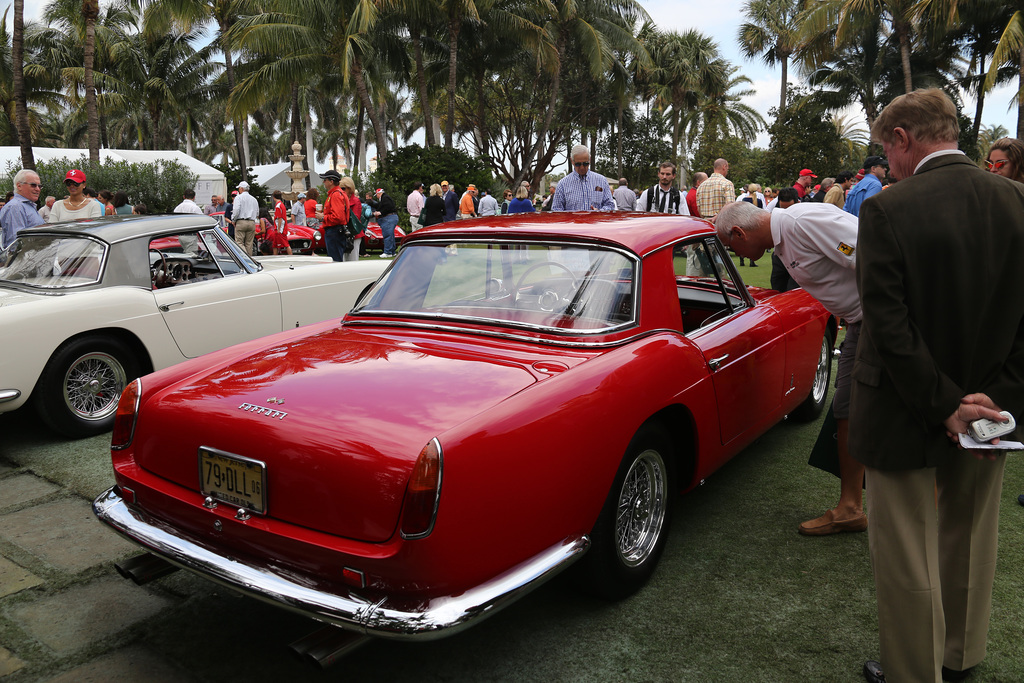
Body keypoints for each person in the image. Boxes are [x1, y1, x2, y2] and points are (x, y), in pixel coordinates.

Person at [849, 88, 1024, 683]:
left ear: (903, 139)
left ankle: (913, 672)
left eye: (884, 149)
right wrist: (998, 395)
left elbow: (889, 327)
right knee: (972, 534)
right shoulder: (1017, 201)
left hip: (903, 406)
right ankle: (961, 655)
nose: (885, 165)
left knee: (906, 550)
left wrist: (945, 403)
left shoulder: (888, 209)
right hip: (991, 406)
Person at [715, 199, 866, 533]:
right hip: (862, 324)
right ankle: (851, 507)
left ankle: (908, 507)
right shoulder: (784, 237)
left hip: (881, 324)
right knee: (848, 410)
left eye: (730, 245)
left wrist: (890, 326)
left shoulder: (803, 223)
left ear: (739, 233)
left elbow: (869, 255)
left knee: (872, 411)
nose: (733, 252)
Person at [552, 145, 614, 211]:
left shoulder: (602, 181)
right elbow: (556, 209)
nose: (582, 167)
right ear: (572, 161)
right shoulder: (563, 184)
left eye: (585, 164)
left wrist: (599, 212)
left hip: (596, 221)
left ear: (589, 159)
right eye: (578, 164)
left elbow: (610, 205)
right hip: (573, 221)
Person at [0, 169, 45, 250]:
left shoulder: (27, 206)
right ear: (19, 186)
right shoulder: (15, 207)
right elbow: (16, 245)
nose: (38, 189)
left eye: (39, 186)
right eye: (33, 185)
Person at [318, 169, 349, 262]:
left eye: (325, 180)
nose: (324, 182)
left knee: (335, 260)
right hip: (335, 231)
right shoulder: (337, 193)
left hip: (334, 231)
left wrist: (323, 217)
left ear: (331, 182)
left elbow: (338, 217)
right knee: (335, 259)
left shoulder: (335, 195)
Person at [367, 186, 398, 257]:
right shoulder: (386, 198)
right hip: (392, 217)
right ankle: (392, 251)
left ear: (379, 194)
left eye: (377, 195)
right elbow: (381, 206)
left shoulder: (385, 198)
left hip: (388, 218)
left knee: (387, 235)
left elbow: (387, 207)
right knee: (391, 235)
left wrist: (381, 212)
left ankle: (388, 252)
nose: (377, 197)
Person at [232, 180, 259, 255]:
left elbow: (236, 210)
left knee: (239, 242)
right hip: (251, 222)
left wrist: (233, 220)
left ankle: (245, 258)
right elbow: (257, 213)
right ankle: (249, 260)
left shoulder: (238, 198)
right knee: (249, 244)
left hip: (241, 221)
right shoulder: (254, 199)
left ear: (241, 189)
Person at [339, 177, 363, 262]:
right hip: (344, 233)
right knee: (343, 260)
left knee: (353, 260)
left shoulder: (356, 201)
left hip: (354, 234)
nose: (341, 190)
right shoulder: (341, 200)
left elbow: (355, 218)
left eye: (343, 188)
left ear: (349, 188)